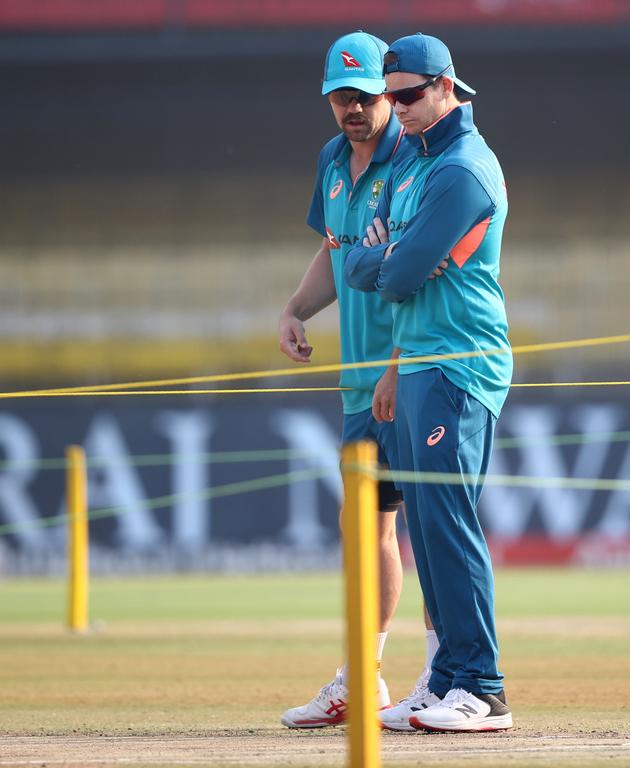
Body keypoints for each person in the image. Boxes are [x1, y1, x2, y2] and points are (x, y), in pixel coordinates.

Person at [344, 33, 514, 733]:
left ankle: (484, 686)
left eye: (408, 95)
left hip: (459, 362)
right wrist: (390, 255)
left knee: (449, 526)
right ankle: (445, 678)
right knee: (426, 527)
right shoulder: (415, 164)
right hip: (416, 361)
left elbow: (399, 274)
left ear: (447, 86)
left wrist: (391, 255)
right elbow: (358, 269)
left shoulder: (463, 169)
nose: (397, 108)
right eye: (391, 97)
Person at [277, 30, 437, 730]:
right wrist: (294, 308)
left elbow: (432, 272)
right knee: (364, 529)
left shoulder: (420, 159)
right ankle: (363, 676)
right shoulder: (332, 162)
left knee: (434, 529)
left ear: (390, 90)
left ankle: (445, 673)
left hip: (413, 375)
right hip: (355, 384)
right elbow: (334, 249)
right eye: (340, 96)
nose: (353, 107)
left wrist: (401, 367)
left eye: (366, 94)